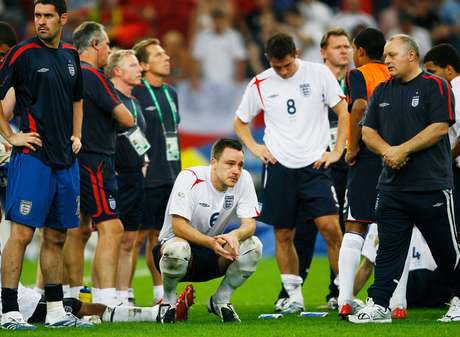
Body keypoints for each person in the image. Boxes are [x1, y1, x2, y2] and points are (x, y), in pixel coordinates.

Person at [349, 34, 460, 324]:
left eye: (391, 55)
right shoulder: (382, 91)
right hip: (392, 186)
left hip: (431, 185)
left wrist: (403, 149)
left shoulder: (436, 86)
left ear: (412, 56)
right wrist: (388, 151)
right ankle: (380, 304)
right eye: (385, 55)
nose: (386, 60)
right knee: (387, 249)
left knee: (446, 249)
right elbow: (367, 132)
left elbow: (439, 127)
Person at [234, 32, 347, 313]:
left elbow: (343, 111)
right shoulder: (260, 82)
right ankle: (293, 297)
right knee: (284, 233)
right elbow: (240, 122)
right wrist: (255, 147)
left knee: (331, 228)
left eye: (286, 65)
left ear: (296, 53)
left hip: (316, 165)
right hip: (279, 166)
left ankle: (344, 294)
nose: (282, 71)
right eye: (277, 66)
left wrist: (337, 151)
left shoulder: (318, 73)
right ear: (268, 60)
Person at [0, 0, 89, 330]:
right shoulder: (22, 53)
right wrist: (11, 137)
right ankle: (9, 311)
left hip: (65, 161)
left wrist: (77, 134)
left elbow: (77, 98)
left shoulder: (70, 54)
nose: (41, 21)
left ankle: (54, 310)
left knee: (56, 237)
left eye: (48, 16)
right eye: (37, 15)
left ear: (62, 18)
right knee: (22, 233)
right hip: (33, 159)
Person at [274, 28, 352, 313]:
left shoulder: (357, 82)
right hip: (312, 163)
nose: (344, 51)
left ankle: (338, 291)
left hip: (345, 164)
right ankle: (290, 292)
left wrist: (343, 150)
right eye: (337, 47)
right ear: (323, 52)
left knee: (338, 228)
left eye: (347, 46)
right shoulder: (309, 78)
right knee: (302, 229)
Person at [62, 21, 134, 305]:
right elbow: (127, 118)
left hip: (72, 157)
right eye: (106, 45)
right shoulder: (93, 75)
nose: (109, 50)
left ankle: (72, 295)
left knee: (76, 229)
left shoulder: (68, 71)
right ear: (94, 45)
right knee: (111, 228)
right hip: (95, 160)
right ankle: (107, 301)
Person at [153, 139, 263, 323]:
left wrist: (234, 235)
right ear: (213, 162)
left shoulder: (244, 179)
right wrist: (211, 242)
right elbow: (178, 226)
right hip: (173, 253)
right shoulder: (189, 177)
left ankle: (220, 300)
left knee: (254, 246)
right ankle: (169, 301)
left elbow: (249, 225)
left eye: (240, 165)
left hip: (212, 253)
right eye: (230, 164)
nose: (236, 170)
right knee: (178, 250)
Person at [0, 241, 195, 325]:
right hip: (22, 305)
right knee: (80, 307)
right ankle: (158, 314)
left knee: (75, 305)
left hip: (23, 299)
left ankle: (159, 312)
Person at [337, 28, 391, 319]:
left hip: (368, 154)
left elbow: (358, 105)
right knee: (395, 228)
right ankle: (398, 304)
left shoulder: (359, 74)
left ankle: (345, 299)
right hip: (395, 155)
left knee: (355, 225)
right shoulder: (396, 74)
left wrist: (353, 146)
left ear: (359, 51)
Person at [132, 38, 181, 305]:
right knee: (139, 236)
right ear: (143, 64)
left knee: (162, 237)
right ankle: (122, 295)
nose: (166, 57)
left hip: (172, 174)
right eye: (158, 54)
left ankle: (160, 294)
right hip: (147, 176)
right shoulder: (137, 93)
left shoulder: (172, 93)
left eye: (165, 53)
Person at [106, 49, 146, 305]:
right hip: (115, 177)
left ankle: (122, 297)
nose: (139, 69)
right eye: (133, 65)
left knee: (130, 239)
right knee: (111, 237)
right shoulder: (109, 99)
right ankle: (105, 295)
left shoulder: (135, 101)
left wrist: (145, 162)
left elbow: (139, 139)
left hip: (136, 176)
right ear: (117, 71)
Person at [423, 43, 460, 226]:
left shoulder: (455, 92)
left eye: (432, 71)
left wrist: (445, 160)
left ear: (449, 69)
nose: (428, 77)